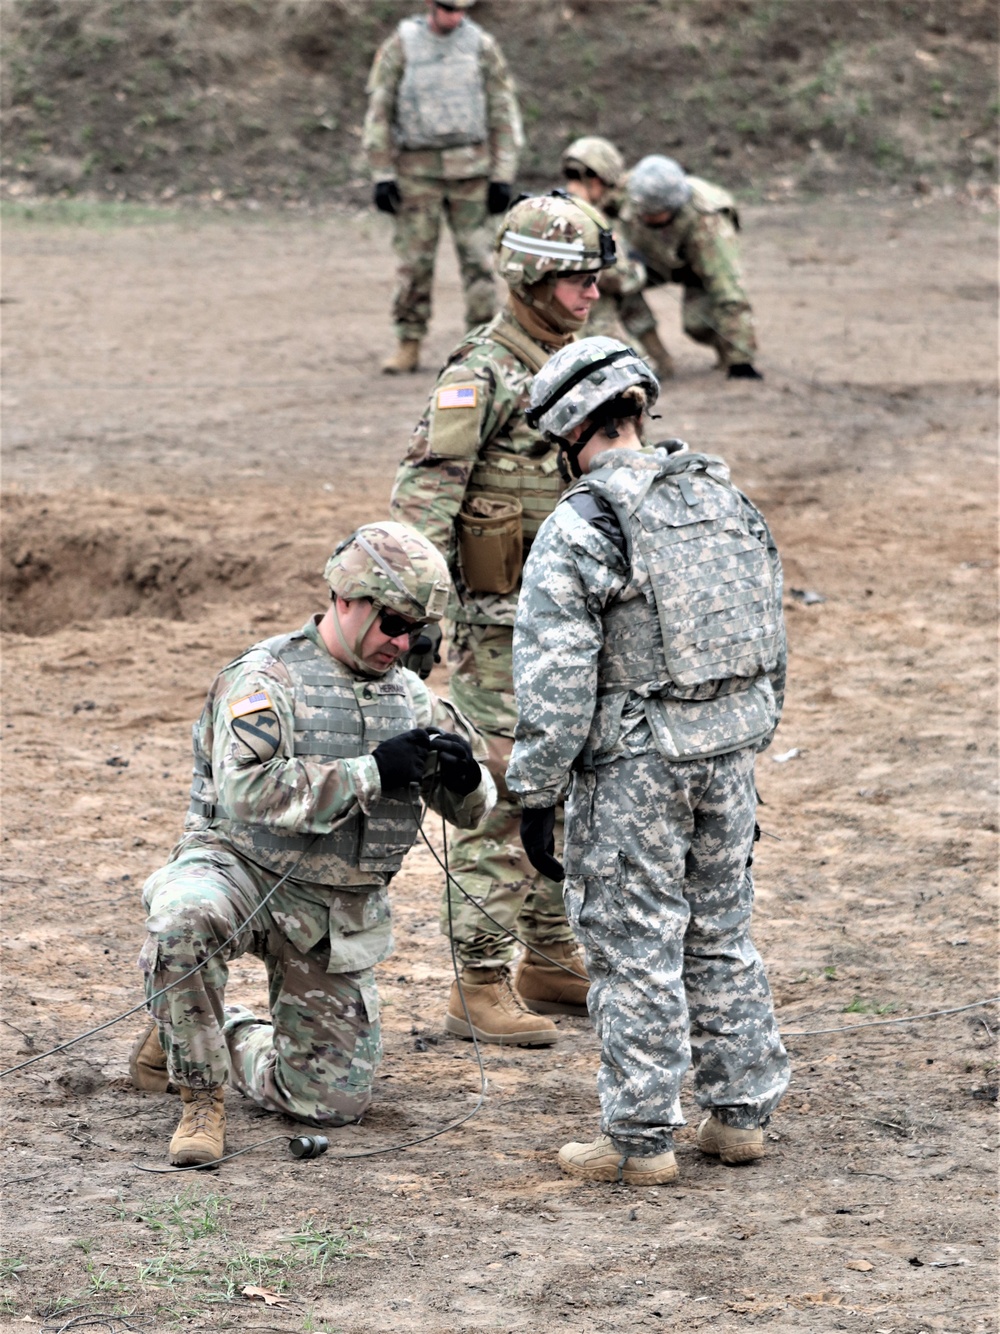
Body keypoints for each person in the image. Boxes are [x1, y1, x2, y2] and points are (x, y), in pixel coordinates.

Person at [507, 336, 790, 1184]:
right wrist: (744, 737)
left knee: (635, 947)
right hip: (728, 752)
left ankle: (639, 1141)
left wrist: (535, 791)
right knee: (721, 930)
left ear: (570, 432)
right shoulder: (722, 498)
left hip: (636, 768)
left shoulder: (584, 521)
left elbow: (556, 678)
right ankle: (739, 1117)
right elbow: (770, 638)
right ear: (638, 409)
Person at [129, 522, 496, 1166]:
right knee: (181, 920)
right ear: (347, 598)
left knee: (328, 1105)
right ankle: (198, 1096)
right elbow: (245, 792)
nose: (403, 643)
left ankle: (214, 1028)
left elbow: (471, 811)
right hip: (239, 870)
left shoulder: (411, 696)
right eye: (392, 624)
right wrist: (372, 771)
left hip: (334, 911)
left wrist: (468, 783)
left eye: (417, 631)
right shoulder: (265, 677)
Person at [389, 193, 617, 1046]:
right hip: (503, 631)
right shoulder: (479, 374)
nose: (590, 294)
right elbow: (423, 500)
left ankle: (551, 957)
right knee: (502, 797)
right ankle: (477, 981)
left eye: (595, 279)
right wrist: (417, 618)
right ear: (528, 278)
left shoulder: (583, 362)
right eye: (573, 280)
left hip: (577, 621)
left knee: (571, 789)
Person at [363, 0, 523, 374]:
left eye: (462, 9)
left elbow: (501, 107)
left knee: (479, 262)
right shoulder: (402, 45)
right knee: (414, 264)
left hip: (471, 172)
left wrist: (502, 174)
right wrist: (382, 173)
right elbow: (380, 110)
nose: (457, 16)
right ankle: (409, 341)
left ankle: (483, 345)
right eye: (449, 8)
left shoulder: (481, 45)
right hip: (417, 174)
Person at [619, 155, 762, 381]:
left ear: (673, 206)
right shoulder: (634, 189)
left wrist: (741, 362)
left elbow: (729, 291)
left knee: (697, 324)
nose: (645, 216)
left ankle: (728, 351)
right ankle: (658, 360)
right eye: (642, 210)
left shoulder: (709, 225)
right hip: (654, 260)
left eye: (654, 213)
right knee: (617, 283)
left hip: (697, 268)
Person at [559, 136, 646, 343]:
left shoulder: (546, 207)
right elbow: (618, 280)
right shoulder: (591, 220)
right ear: (598, 181)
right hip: (590, 329)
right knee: (640, 369)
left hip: (547, 323)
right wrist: (637, 268)